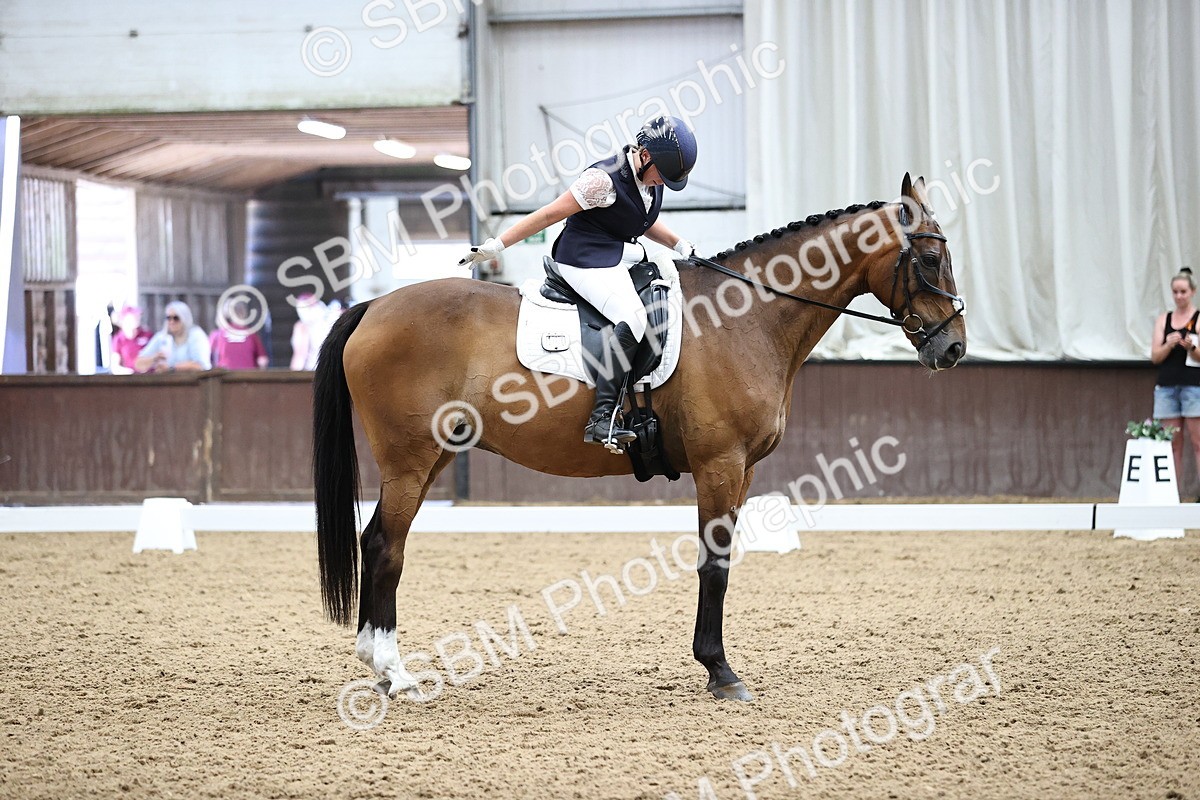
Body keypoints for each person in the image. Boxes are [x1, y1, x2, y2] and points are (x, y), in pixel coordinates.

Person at [460, 115, 698, 450]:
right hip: (582, 259)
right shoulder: (601, 181)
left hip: (617, 253)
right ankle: (602, 418)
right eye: (662, 175)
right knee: (633, 318)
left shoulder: (649, 178)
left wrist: (680, 244)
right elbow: (549, 214)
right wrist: (496, 245)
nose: (663, 184)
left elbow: (642, 220)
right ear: (645, 155)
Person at [1150, 267, 1200, 486]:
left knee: (1198, 442)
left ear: (1192, 292)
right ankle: (1171, 493)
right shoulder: (1164, 319)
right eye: (1175, 292)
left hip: (1194, 386)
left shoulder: (1198, 319)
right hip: (1167, 386)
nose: (1179, 296)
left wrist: (1192, 348)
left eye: (1183, 292)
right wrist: (1168, 345)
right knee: (1171, 443)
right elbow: (1155, 357)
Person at [135, 300, 212, 373]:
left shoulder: (196, 335)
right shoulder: (162, 337)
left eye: (176, 318)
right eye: (169, 318)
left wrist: (171, 368)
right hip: (168, 381)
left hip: (194, 381)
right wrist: (154, 358)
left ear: (184, 318)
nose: (172, 322)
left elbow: (201, 366)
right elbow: (138, 364)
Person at [209, 297, 268, 370]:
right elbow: (262, 360)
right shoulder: (251, 334)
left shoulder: (216, 335)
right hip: (248, 375)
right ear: (243, 313)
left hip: (224, 375)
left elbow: (209, 358)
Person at [290, 294, 336, 370]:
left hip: (312, 371)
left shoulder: (302, 327)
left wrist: (292, 375)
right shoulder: (330, 323)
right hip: (327, 370)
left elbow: (301, 355)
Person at [110, 305, 153, 374]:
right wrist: (128, 372)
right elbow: (115, 366)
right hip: (130, 375)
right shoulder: (119, 339)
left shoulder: (147, 334)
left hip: (149, 374)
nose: (137, 318)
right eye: (133, 316)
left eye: (137, 316)